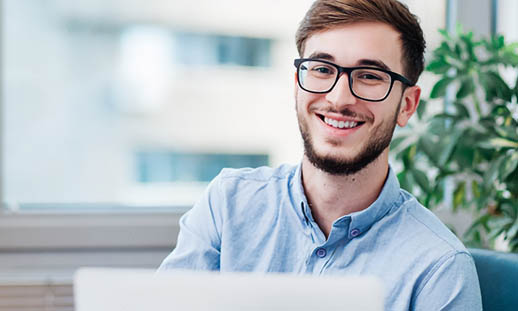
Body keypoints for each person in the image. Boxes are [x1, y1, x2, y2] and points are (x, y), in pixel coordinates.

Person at [159, 0, 483, 309]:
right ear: (298, 84)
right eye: (322, 69)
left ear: (408, 105)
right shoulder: (227, 205)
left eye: (370, 76)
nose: (339, 98)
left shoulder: (439, 268)